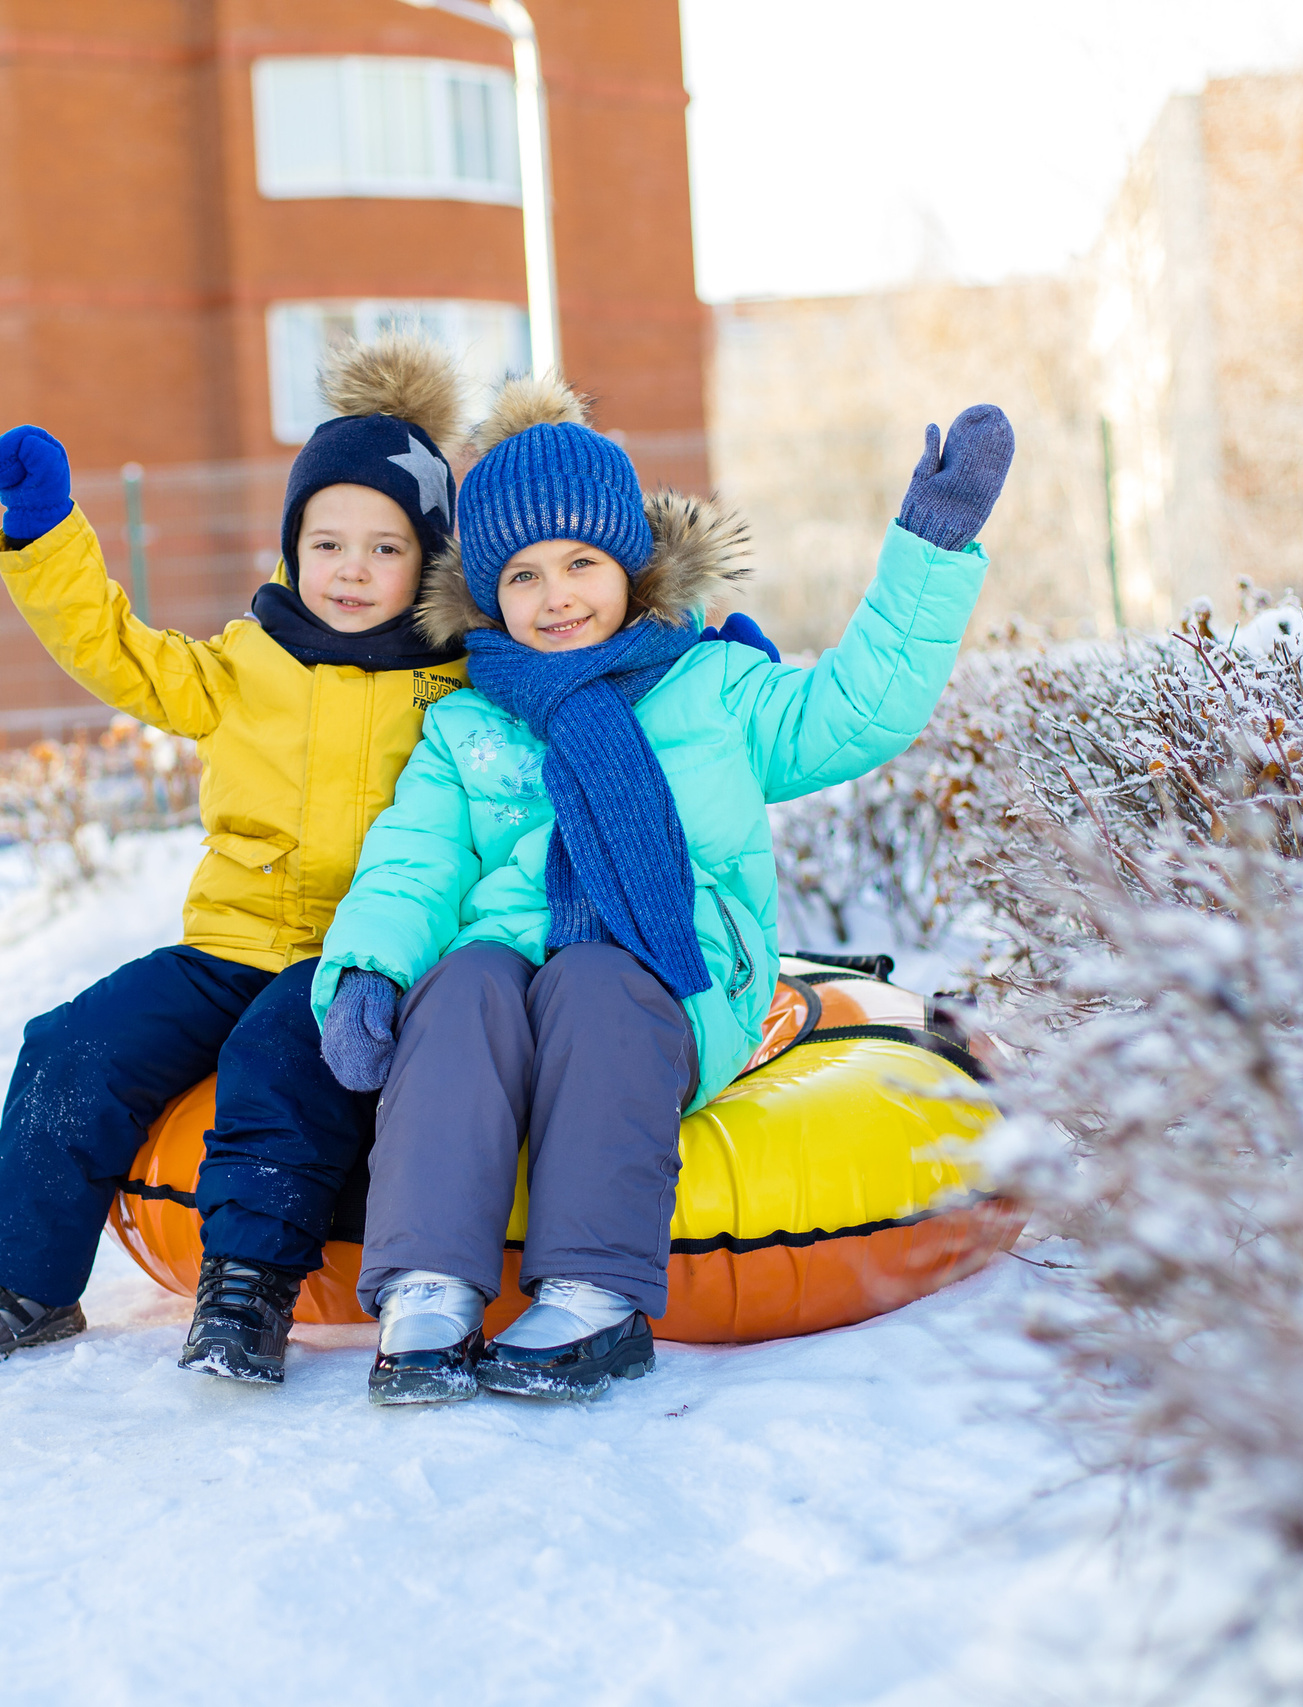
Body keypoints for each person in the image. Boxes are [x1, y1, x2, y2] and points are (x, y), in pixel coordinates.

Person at [309, 376, 1013, 1404]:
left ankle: (593, 1297)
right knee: (458, 985)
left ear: (631, 568)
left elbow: (860, 708)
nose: (555, 597)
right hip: (511, 973)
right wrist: (367, 970)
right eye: (523, 575)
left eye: (582, 564)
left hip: (664, 972)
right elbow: (413, 863)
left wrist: (931, 547)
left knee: (594, 981)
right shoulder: (469, 725)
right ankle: (427, 1282)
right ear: (485, 593)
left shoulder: (715, 690)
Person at [0, 338, 472, 1386]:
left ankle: (246, 1292)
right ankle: (18, 1284)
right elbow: (117, 653)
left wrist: (702, 662)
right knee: (73, 1043)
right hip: (228, 942)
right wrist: (44, 537)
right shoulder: (246, 662)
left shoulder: (458, 685)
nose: (351, 570)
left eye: (385, 549)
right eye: (328, 541)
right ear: (292, 543)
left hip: (362, 958)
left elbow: (574, 661)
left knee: (274, 1059)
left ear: (430, 560)